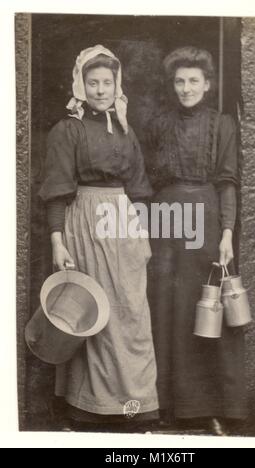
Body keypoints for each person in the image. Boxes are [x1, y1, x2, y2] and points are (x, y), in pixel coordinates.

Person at [39, 45, 159, 431]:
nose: (101, 89)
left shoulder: (126, 129)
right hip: (85, 225)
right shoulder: (68, 130)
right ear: (81, 84)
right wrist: (58, 242)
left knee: (130, 312)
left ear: (116, 85)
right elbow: (58, 190)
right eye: (93, 82)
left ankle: (133, 406)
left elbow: (139, 187)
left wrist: (141, 234)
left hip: (123, 224)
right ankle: (89, 409)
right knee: (94, 313)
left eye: (107, 82)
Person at [146, 47, 247, 435]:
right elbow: (146, 179)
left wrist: (226, 233)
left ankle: (213, 409)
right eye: (179, 81)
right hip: (165, 225)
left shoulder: (222, 125)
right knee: (166, 309)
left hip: (205, 223)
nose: (185, 88)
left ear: (206, 85)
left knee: (207, 311)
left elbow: (227, 182)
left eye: (193, 81)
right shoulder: (157, 125)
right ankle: (165, 406)